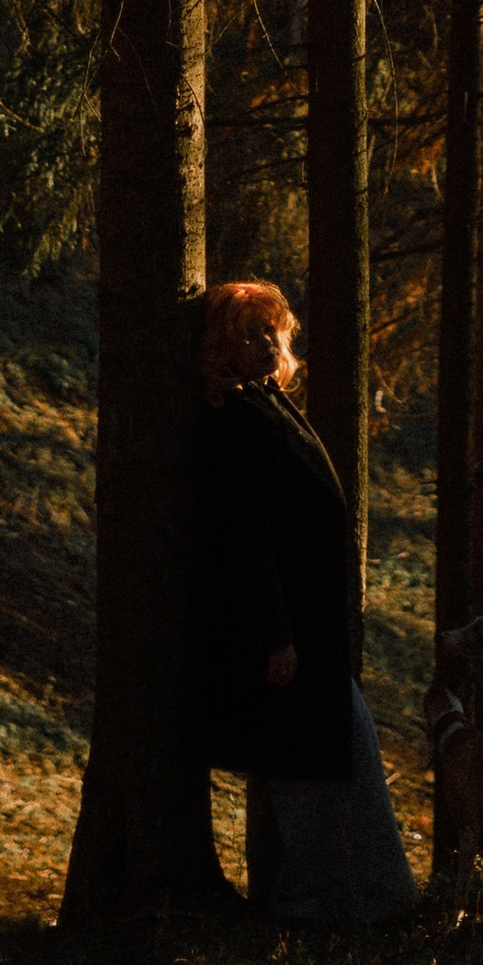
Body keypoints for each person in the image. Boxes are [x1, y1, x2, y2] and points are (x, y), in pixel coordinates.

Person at [192, 278, 417, 921]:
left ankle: (316, 896)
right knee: (312, 763)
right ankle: (325, 901)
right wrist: (276, 636)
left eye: (272, 333)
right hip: (288, 630)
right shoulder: (233, 421)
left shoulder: (268, 404)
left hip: (313, 625)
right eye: (248, 336)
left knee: (312, 759)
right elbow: (245, 539)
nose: (266, 345)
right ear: (222, 348)